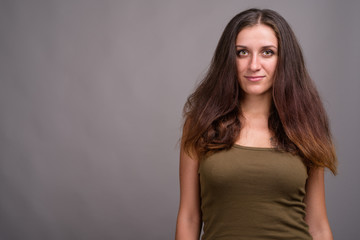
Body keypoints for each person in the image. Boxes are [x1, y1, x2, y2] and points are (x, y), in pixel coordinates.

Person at [175, 8, 337, 240]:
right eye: (242, 52)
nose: (254, 65)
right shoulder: (201, 123)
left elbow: (318, 225)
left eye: (267, 52)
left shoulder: (306, 124)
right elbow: (189, 217)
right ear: (229, 59)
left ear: (284, 60)